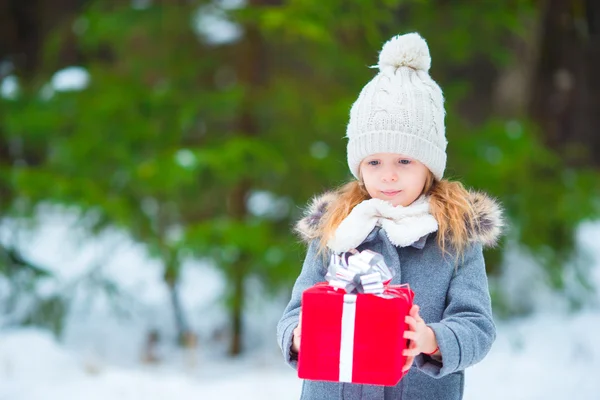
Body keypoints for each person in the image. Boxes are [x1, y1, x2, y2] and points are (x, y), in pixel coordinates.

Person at [276, 32, 504, 400]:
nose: (388, 175)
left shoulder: (453, 237)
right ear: (359, 166)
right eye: (375, 161)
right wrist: (299, 335)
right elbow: (296, 311)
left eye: (404, 161)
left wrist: (432, 339)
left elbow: (477, 325)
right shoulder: (336, 229)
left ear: (428, 167)